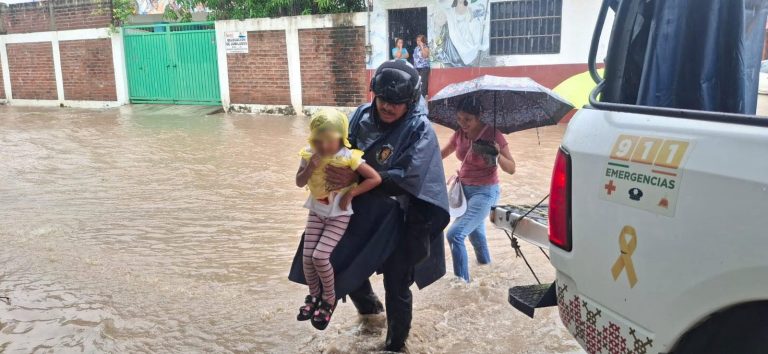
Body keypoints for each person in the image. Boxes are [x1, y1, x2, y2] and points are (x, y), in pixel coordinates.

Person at [288, 60, 449, 352]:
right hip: (361, 206)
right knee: (344, 256)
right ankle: (370, 314)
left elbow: (409, 177)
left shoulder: (420, 129)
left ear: (410, 101)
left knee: (397, 281)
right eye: (383, 99)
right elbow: (337, 147)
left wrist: (356, 174)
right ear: (374, 94)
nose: (387, 107)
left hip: (404, 214)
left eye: (396, 103)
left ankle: (395, 344)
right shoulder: (361, 115)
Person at [294, 109, 382, 330]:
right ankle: (314, 296)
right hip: (316, 211)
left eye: (329, 141)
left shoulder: (348, 157)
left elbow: (375, 178)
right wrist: (310, 167)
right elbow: (299, 181)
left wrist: (351, 193)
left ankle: (329, 299)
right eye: (319, 141)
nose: (323, 147)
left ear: (341, 138)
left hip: (338, 216)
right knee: (307, 257)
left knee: (320, 257)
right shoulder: (309, 153)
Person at [441, 97, 516, 282]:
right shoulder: (459, 134)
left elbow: (512, 169)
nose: (463, 123)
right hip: (464, 191)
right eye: (459, 118)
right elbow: (443, 152)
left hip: (485, 192)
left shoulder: (493, 135)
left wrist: (497, 154)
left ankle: (462, 285)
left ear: (479, 116)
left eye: (468, 119)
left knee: (455, 234)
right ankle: (487, 271)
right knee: (476, 236)